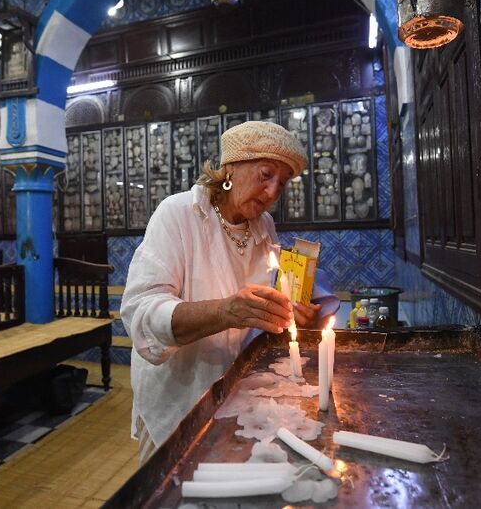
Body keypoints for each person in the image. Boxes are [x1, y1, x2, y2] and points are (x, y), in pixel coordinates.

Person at [121, 120, 328, 462]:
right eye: (266, 174)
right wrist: (224, 312)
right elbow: (140, 313)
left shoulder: (264, 227)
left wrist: (288, 310)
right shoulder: (178, 215)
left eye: (283, 182)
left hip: (236, 397)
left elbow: (263, 302)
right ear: (231, 167)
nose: (274, 192)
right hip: (177, 399)